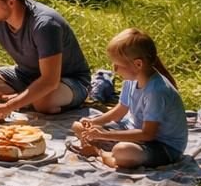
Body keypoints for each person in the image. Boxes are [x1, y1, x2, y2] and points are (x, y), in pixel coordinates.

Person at [71, 29, 186, 169]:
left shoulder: (156, 91)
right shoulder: (132, 79)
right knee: (79, 126)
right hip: (133, 129)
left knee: (123, 152)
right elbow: (120, 110)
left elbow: (148, 134)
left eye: (118, 65)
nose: (114, 69)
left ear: (138, 64)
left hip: (162, 145)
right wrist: (93, 122)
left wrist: (104, 135)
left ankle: (98, 152)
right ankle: (108, 153)